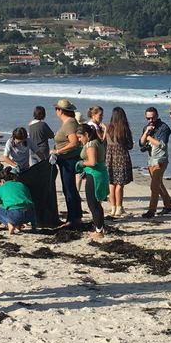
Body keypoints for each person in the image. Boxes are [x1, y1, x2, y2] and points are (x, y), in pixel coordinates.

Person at [50, 99, 83, 227]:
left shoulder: (69, 123)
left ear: (60, 111)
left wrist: (58, 151)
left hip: (68, 160)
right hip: (66, 159)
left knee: (69, 189)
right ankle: (75, 216)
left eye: (57, 109)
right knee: (70, 189)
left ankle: (73, 218)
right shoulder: (68, 122)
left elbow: (74, 142)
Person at [76, 124, 109, 239]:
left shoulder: (91, 144)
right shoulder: (98, 141)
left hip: (94, 175)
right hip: (100, 174)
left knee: (93, 204)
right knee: (97, 203)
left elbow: (92, 162)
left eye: (80, 137)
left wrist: (81, 163)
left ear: (86, 134)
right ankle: (100, 227)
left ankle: (99, 231)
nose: (79, 140)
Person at [140, 107, 171, 218]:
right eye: (148, 118)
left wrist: (149, 137)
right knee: (159, 184)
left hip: (160, 160)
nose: (150, 120)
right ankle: (168, 205)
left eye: (152, 118)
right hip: (151, 160)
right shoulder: (147, 127)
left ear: (157, 116)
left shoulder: (164, 128)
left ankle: (151, 210)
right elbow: (141, 144)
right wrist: (146, 133)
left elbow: (162, 145)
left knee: (154, 186)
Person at [0, 170, 35, 234]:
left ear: (2, 181)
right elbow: (30, 202)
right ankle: (18, 225)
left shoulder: (2, 188)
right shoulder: (22, 185)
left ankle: (10, 224)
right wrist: (34, 225)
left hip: (15, 215)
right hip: (30, 215)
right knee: (21, 208)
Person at [104, 106, 133, 217]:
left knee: (111, 183)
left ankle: (113, 208)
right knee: (120, 184)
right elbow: (130, 145)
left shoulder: (108, 128)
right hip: (121, 157)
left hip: (110, 158)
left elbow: (105, 142)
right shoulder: (124, 129)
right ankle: (119, 208)